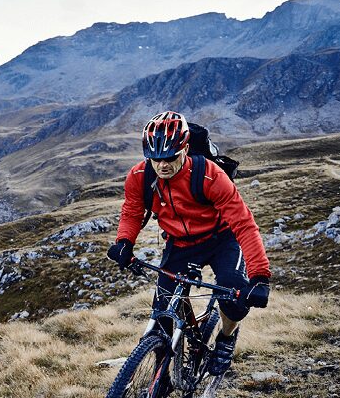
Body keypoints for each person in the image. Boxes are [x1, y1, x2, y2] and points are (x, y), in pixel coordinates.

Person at [107, 111, 271, 375]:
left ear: (184, 148)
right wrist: (124, 242)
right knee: (162, 314)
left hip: (221, 239)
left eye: (170, 158)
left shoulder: (209, 175)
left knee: (233, 297)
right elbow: (132, 211)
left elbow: (243, 224)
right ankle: (158, 376)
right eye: (155, 159)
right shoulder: (140, 176)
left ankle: (226, 339)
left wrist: (260, 277)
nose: (162, 166)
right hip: (180, 244)